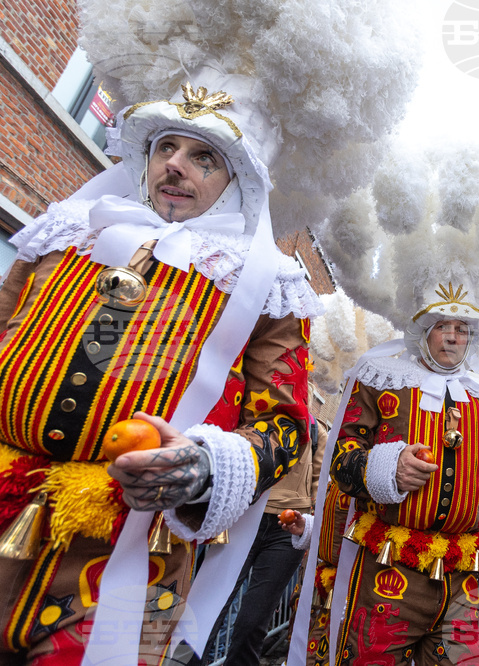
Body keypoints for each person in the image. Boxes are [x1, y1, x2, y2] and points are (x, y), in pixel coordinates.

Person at [0, 80, 320, 664]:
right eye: (166, 147)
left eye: (204, 157)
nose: (175, 164)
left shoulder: (268, 289)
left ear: (235, 184)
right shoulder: (70, 232)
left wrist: (204, 465)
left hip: (131, 544)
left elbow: (284, 428)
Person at [313, 282, 479, 666]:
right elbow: (341, 457)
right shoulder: (380, 377)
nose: (452, 337)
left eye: (462, 328)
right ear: (423, 331)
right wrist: (389, 468)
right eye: (442, 326)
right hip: (386, 568)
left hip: (461, 578)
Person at [192, 388, 329, 666]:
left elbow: (319, 485)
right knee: (210, 605)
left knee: (255, 618)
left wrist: (309, 525)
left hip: (286, 530)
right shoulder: (251, 420)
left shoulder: (316, 431)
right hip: (242, 519)